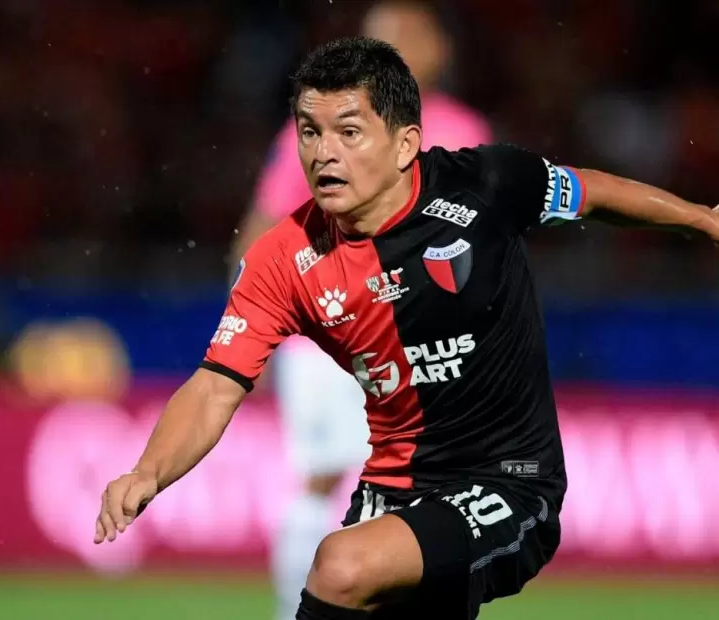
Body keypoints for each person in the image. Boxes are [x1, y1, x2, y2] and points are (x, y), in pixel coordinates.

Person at [95, 37, 719, 619]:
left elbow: (593, 193)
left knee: (339, 565)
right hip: (391, 493)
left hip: (508, 483)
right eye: (310, 132)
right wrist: (149, 471)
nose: (323, 152)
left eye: (348, 131)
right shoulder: (284, 260)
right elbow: (214, 385)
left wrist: (701, 219)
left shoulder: (487, 185)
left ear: (404, 145)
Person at [229, 3, 493, 618]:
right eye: (380, 39)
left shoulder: (464, 128)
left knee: (432, 487)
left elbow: (487, 246)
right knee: (322, 477)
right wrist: (249, 333)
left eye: (406, 37)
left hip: (426, 346)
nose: (393, 50)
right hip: (328, 338)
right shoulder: (322, 127)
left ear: (439, 49)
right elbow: (262, 232)